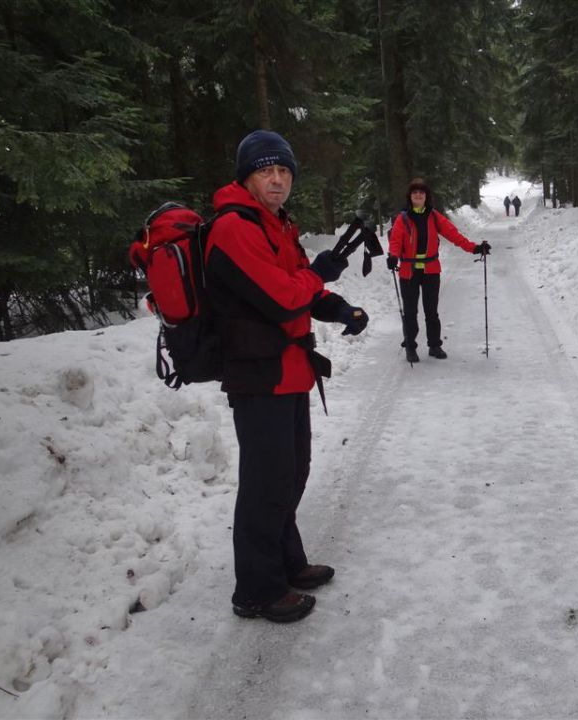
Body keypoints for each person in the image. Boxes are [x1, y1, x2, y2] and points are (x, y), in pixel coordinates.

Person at [205, 129, 369, 622]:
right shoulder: (233, 228)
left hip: (289, 369)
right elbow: (280, 295)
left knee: (290, 473)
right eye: (265, 170)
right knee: (266, 481)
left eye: (283, 171)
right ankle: (256, 589)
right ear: (246, 177)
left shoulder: (274, 224)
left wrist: (341, 308)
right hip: (259, 374)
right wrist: (318, 275)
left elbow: (304, 288)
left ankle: (286, 563)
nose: (276, 179)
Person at [386, 177, 490, 362]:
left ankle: (434, 345)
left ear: (426, 196)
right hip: (408, 271)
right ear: (410, 196)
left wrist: (474, 248)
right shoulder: (402, 219)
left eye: (421, 192)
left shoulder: (434, 217)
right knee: (410, 312)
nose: (418, 195)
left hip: (431, 270)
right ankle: (411, 346)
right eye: (415, 192)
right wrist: (393, 256)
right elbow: (395, 241)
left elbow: (454, 235)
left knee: (431, 311)